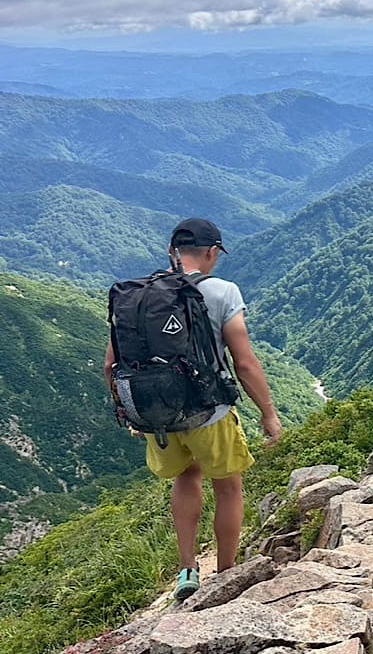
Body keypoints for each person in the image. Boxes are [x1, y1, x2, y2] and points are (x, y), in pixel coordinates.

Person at [104, 217, 283, 601]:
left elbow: (111, 365)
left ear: (172, 252)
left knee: (186, 479)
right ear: (212, 252)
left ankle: (188, 569)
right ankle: (226, 573)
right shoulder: (222, 292)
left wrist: (132, 413)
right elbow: (245, 362)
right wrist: (268, 413)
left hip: (157, 415)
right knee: (229, 488)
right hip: (209, 413)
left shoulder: (137, 295)